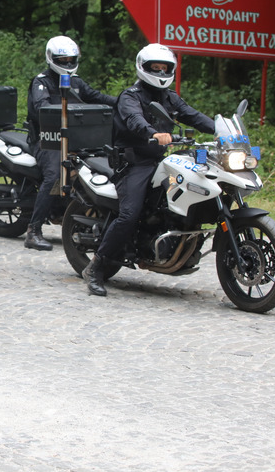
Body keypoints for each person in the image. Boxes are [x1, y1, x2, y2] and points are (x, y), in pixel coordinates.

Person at [83, 43, 216, 296]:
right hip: (132, 163)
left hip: (157, 162)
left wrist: (221, 129)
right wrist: (154, 133)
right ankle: (95, 267)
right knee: (129, 215)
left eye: (165, 67)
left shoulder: (170, 97)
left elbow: (193, 115)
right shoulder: (130, 96)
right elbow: (135, 120)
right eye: (155, 67)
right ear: (143, 68)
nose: (161, 71)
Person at [25, 36, 118, 251]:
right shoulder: (41, 82)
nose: (67, 64)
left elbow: (96, 97)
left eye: (71, 59)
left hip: (74, 138)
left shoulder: (76, 82)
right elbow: (42, 108)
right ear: (51, 58)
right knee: (54, 175)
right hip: (47, 140)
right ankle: (33, 230)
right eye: (62, 60)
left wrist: (124, 102)